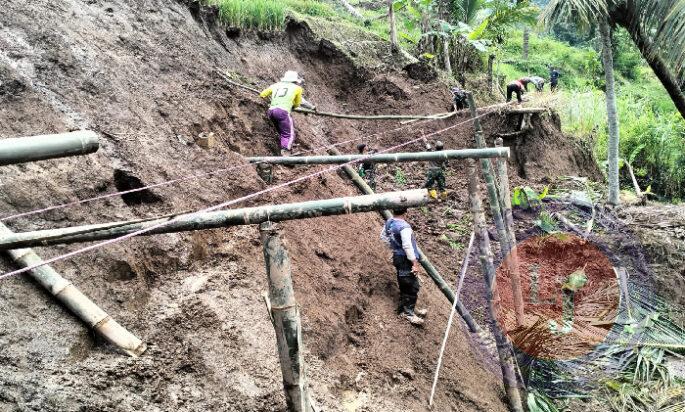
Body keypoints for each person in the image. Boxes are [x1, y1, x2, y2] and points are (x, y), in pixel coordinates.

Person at [381, 209, 427, 326]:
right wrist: (414, 263)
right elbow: (407, 246)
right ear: (406, 212)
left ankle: (409, 307)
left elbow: (383, 237)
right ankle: (408, 313)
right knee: (411, 286)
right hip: (405, 259)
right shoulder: (404, 227)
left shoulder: (390, 222)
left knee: (405, 283)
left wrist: (394, 249)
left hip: (398, 257)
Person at [259, 71, 316, 156]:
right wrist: (292, 105)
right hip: (282, 112)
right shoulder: (297, 88)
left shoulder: (275, 85)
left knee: (281, 131)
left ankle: (285, 147)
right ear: (294, 81)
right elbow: (298, 103)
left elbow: (262, 94)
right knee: (288, 134)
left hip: (271, 111)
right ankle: (286, 153)